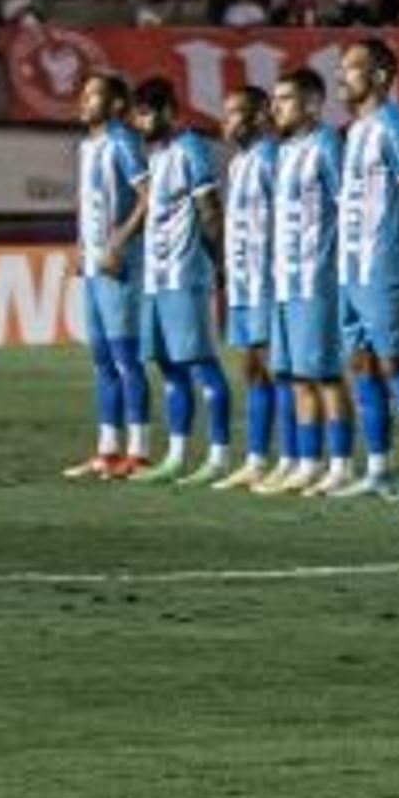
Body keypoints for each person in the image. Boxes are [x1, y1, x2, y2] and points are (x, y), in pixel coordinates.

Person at [333, 36, 399, 499]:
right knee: (362, 366)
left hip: (384, 266)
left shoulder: (395, 125)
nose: (342, 76)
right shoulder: (355, 130)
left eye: (352, 68)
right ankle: (377, 469)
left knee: (396, 363)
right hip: (351, 268)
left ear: (379, 76)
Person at [127, 78, 234, 485]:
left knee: (202, 364)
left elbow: (210, 211)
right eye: (136, 115)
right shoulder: (157, 155)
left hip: (185, 275)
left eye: (146, 113)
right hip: (155, 279)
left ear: (169, 111)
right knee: (168, 367)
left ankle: (219, 457)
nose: (140, 122)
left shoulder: (191, 149)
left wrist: (219, 264)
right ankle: (175, 456)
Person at [261, 70, 346, 497]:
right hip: (286, 280)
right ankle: (307, 463)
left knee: (325, 376)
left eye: (286, 99)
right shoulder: (284, 151)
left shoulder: (327, 144)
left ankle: (341, 465)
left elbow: (347, 207)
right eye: (275, 99)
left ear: (312, 104)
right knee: (296, 377)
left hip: (317, 280)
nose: (276, 107)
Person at [67, 70, 151, 479]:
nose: (83, 101)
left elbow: (148, 198)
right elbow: (90, 202)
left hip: (120, 267)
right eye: (83, 95)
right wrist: (81, 246)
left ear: (117, 104)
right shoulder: (88, 146)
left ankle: (140, 451)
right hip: (94, 266)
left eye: (93, 95)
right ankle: (107, 450)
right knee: (102, 360)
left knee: (125, 359)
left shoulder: (122, 141)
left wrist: (118, 244)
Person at [210, 89, 282, 491]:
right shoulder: (238, 163)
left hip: (269, 280)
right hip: (243, 281)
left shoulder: (271, 158)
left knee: (276, 369)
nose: (226, 122)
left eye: (235, 113)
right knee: (252, 369)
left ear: (258, 117)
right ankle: (257, 459)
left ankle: (295, 459)